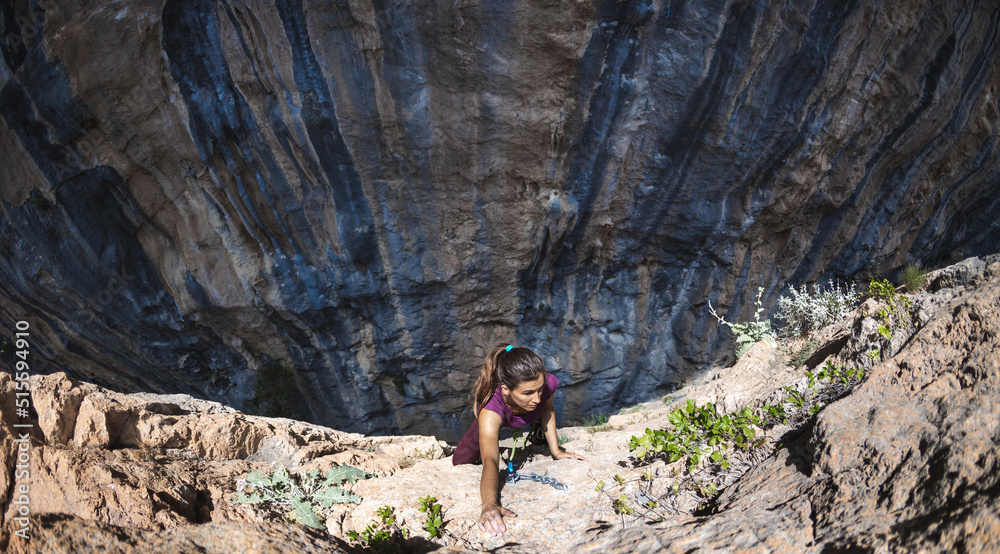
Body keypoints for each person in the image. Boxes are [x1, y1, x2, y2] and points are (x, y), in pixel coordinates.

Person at [452, 343, 585, 537]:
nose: (538, 398)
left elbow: (547, 409)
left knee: (540, 433)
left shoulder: (547, 384)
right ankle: (483, 434)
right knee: (461, 461)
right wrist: (489, 504)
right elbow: (491, 459)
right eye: (528, 393)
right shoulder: (491, 410)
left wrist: (556, 451)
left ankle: (536, 433)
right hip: (498, 417)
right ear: (506, 389)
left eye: (539, 389)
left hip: (531, 417)